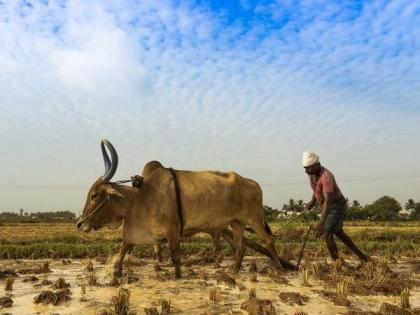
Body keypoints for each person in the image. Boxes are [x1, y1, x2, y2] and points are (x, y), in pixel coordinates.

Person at [303, 151, 370, 263]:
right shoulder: (312, 175)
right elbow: (316, 189)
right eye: (305, 168)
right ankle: (363, 257)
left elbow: (328, 200)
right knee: (340, 234)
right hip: (326, 206)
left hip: (336, 205)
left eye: (309, 168)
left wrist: (322, 221)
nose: (307, 171)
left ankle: (337, 263)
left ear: (317, 164)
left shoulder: (326, 177)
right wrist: (312, 201)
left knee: (327, 234)